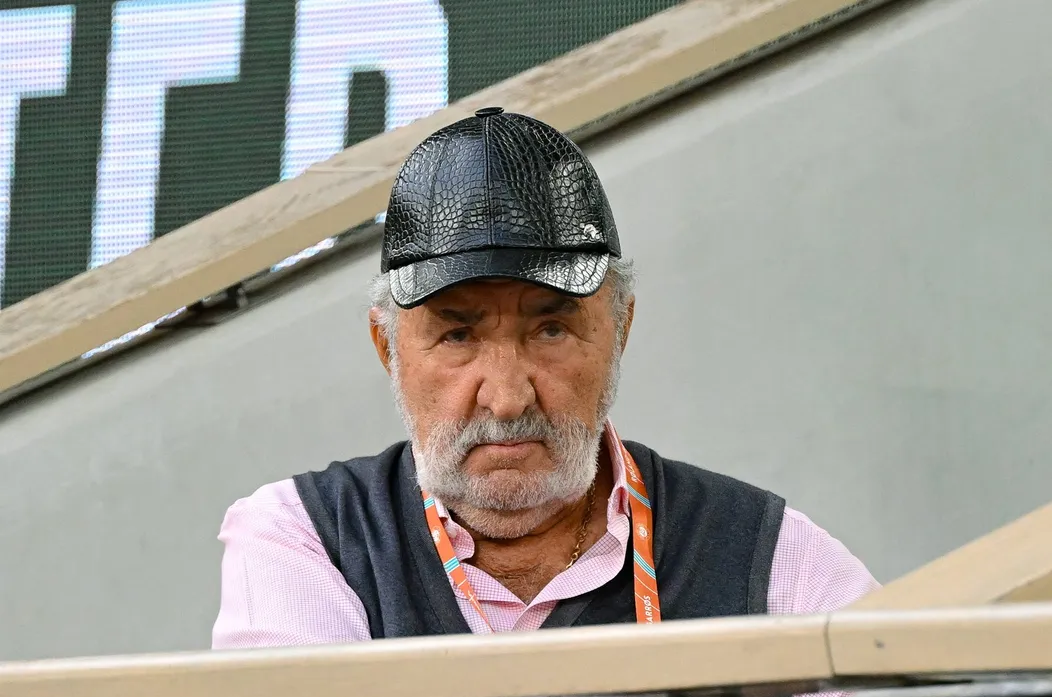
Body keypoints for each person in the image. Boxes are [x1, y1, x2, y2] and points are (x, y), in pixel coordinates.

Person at [212, 107, 878, 649]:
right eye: (457, 335)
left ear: (620, 329)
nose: (507, 400)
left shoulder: (768, 554)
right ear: (387, 347)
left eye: (551, 330)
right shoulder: (308, 538)